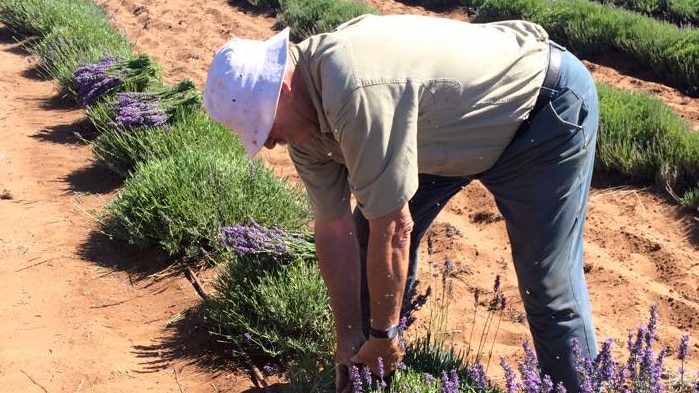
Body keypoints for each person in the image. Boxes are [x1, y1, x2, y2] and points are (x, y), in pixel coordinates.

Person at [203, 13, 599, 392]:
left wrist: (384, 334)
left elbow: (392, 227)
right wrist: (348, 337)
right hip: (443, 134)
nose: (269, 142)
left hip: (539, 114)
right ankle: (373, 373)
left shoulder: (353, 88)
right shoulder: (304, 129)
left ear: (283, 90)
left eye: (265, 128)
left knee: (547, 285)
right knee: (361, 237)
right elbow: (333, 229)